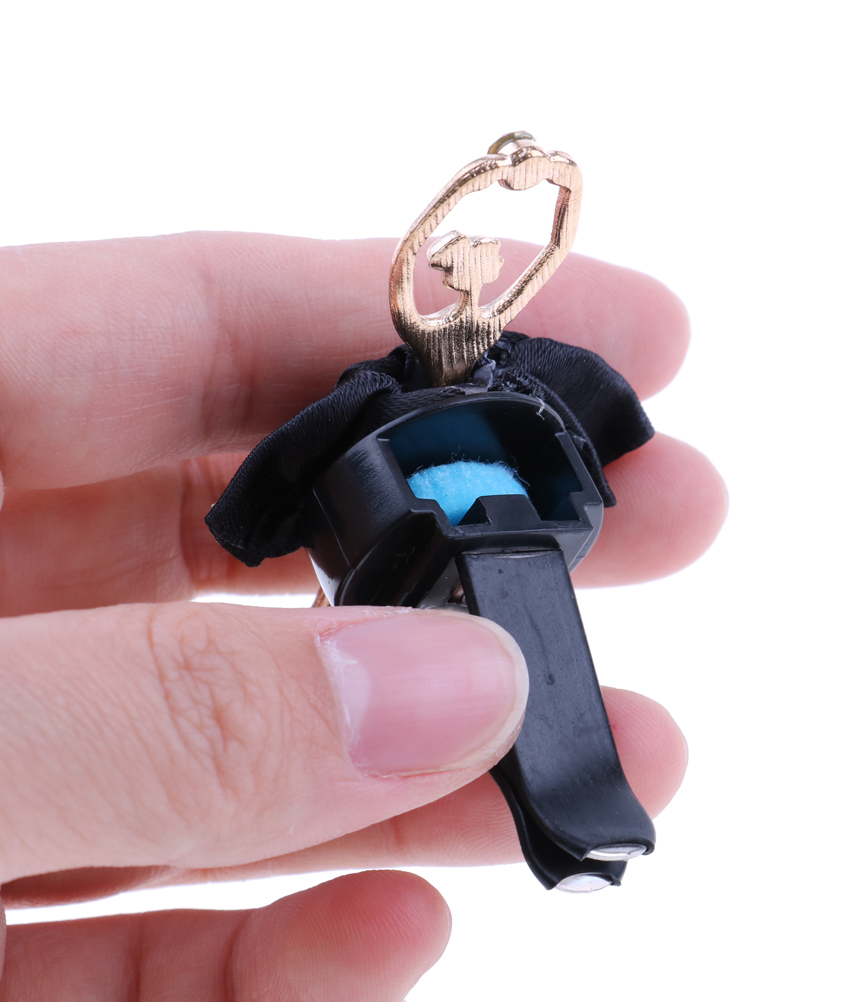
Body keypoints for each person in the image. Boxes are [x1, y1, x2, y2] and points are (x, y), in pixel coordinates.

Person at [0, 232, 727, 999]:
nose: (469, 277)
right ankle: (577, 818)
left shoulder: (500, 405)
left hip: (464, 514)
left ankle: (582, 816)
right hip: (404, 520)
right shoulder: (391, 424)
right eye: (460, 268)